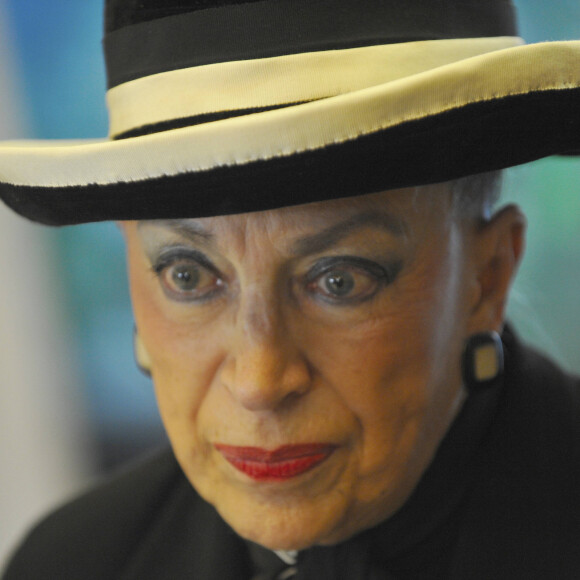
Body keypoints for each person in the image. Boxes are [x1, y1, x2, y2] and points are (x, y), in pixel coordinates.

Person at [1, 0, 579, 578]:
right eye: (189, 275)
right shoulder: (71, 562)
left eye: (339, 280)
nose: (260, 381)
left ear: (487, 277)